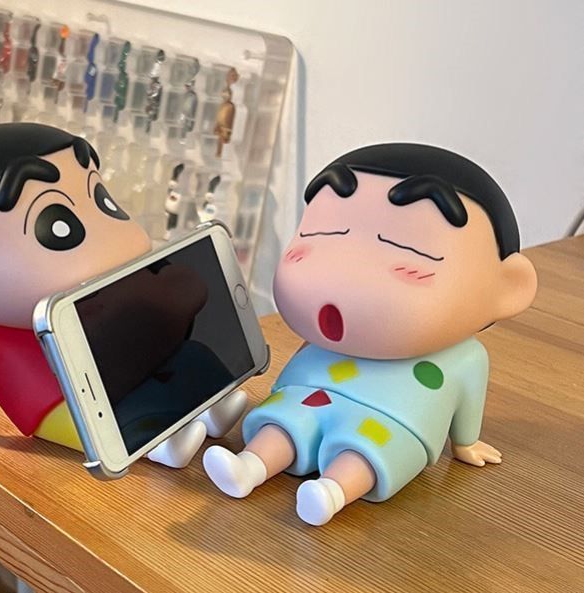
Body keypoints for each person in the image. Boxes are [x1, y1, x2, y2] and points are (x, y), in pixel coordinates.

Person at [203, 143, 537, 524]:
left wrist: (465, 443)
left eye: (409, 248)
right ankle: (248, 467)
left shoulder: (465, 357)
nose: (347, 267)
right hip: (310, 394)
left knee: (364, 452)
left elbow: (469, 397)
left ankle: (331, 494)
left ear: (508, 288)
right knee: (283, 423)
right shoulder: (324, 343)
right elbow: (302, 357)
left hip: (395, 419)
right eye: (323, 230)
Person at [0, 123, 245, 467]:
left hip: (106, 376)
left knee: (187, 359)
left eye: (103, 201)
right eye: (56, 225)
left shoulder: (91, 306)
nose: (110, 238)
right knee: (114, 418)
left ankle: (211, 406)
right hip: (53, 406)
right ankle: (160, 445)